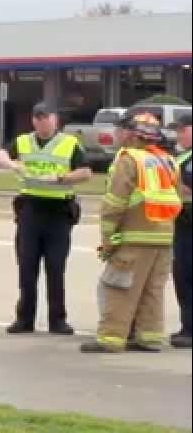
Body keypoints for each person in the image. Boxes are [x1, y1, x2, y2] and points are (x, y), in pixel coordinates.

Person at [81, 111, 182, 353]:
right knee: (153, 291)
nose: (117, 134)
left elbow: (115, 203)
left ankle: (111, 339)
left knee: (119, 288)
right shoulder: (167, 160)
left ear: (130, 133)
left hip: (135, 237)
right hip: (163, 237)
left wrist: (107, 240)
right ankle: (149, 337)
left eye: (120, 130)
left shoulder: (127, 159)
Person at [0, 101, 92, 335]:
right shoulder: (24, 141)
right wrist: (10, 164)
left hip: (58, 212)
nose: (40, 121)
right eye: (37, 117)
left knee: (55, 268)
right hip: (30, 211)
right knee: (27, 267)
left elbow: (86, 172)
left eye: (45, 117)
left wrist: (60, 179)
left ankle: (57, 319)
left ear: (55, 119)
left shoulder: (69, 143)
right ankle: (24, 318)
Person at [171, 113, 192, 348]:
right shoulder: (182, 155)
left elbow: (186, 187)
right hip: (182, 222)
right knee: (182, 277)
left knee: (187, 276)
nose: (179, 135)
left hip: (189, 223)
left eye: (183, 130)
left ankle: (190, 330)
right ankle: (187, 326)